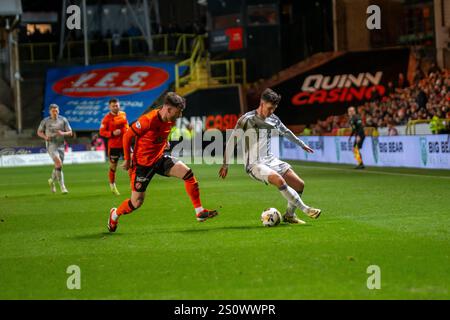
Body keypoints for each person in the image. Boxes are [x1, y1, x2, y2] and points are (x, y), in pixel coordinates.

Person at [107, 92, 218, 232]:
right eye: (178, 112)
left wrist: (164, 142)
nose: (180, 116)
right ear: (168, 109)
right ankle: (115, 214)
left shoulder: (171, 119)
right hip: (142, 165)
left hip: (159, 158)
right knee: (136, 202)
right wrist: (128, 160)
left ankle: (199, 211)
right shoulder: (148, 120)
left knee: (188, 174)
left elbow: (162, 132)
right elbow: (127, 136)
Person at [218, 88, 321, 224]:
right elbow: (232, 141)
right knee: (279, 180)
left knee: (299, 184)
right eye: (269, 108)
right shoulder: (246, 120)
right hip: (254, 164)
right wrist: (225, 164)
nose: (271, 112)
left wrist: (301, 144)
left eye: (274, 109)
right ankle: (306, 209)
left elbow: (286, 132)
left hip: (270, 160)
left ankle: (289, 215)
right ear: (262, 103)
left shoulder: (274, 119)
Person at [37, 104, 73, 194]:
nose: (55, 112)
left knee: (58, 166)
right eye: (53, 111)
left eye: (56, 110)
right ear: (50, 112)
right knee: (58, 163)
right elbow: (39, 132)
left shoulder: (63, 120)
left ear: (59, 111)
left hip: (61, 145)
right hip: (51, 144)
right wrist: (45, 137)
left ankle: (52, 181)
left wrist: (62, 133)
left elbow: (70, 132)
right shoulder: (45, 121)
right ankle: (62, 187)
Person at [99, 98, 129, 196]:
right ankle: (112, 186)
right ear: (109, 107)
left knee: (132, 162)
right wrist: (112, 133)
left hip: (125, 143)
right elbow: (102, 132)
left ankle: (134, 184)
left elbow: (126, 125)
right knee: (113, 167)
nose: (116, 107)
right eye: (113, 106)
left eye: (117, 105)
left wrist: (128, 130)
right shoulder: (106, 119)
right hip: (114, 146)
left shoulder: (123, 114)